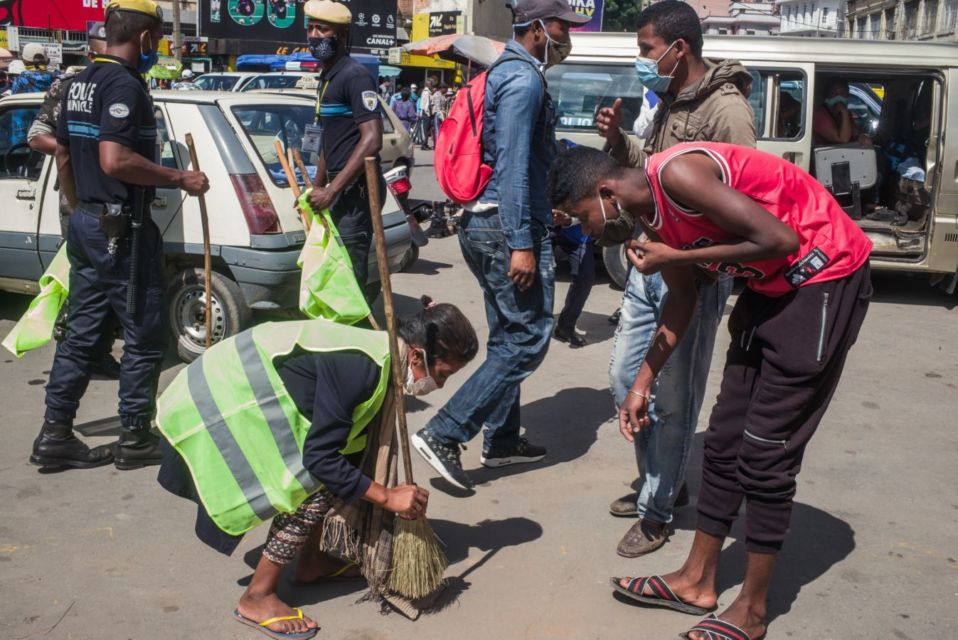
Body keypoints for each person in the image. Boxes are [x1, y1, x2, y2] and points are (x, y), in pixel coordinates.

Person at [549, 143, 872, 640]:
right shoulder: (652, 223)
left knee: (765, 453)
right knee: (722, 442)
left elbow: (780, 239)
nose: (582, 228)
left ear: (606, 191)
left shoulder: (677, 174)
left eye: (580, 215)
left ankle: (753, 610)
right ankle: (696, 581)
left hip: (823, 277)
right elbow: (682, 302)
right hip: (770, 291)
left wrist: (675, 254)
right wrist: (641, 383)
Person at [157, 300, 479, 639]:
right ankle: (257, 596)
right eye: (442, 375)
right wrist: (386, 497)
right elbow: (321, 460)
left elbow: (345, 447)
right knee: (315, 484)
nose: (439, 387)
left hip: (237, 389)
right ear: (416, 356)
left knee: (341, 471)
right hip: (215, 403)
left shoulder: (382, 356)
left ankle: (311, 563)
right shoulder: (363, 370)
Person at [594, 0, 756, 558]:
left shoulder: (727, 111)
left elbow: (739, 202)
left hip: (692, 272)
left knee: (673, 399)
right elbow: (654, 171)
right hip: (650, 260)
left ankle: (658, 510)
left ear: (677, 48)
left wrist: (688, 258)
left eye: (645, 49)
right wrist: (619, 144)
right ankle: (664, 476)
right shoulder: (669, 100)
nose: (642, 59)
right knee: (624, 382)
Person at [411, 0, 589, 492]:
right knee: (529, 337)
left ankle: (503, 439)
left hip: (490, 223)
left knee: (507, 335)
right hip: (501, 230)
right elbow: (510, 163)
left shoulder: (506, 74)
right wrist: (522, 242)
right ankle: (446, 432)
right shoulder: (525, 80)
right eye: (561, 28)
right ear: (537, 29)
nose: (567, 37)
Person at [32, 0, 210, 473]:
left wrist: (80, 211)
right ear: (147, 38)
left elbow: (65, 157)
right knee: (145, 334)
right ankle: (135, 436)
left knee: (82, 333)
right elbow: (114, 160)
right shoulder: (124, 86)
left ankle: (55, 433)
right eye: (159, 40)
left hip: (87, 223)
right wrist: (180, 178)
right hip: (121, 230)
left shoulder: (77, 83)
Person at [27, 21, 122, 380]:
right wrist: (83, 150)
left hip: (116, 198)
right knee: (83, 283)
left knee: (111, 284)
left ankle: (97, 353)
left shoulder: (127, 85)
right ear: (90, 54)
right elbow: (37, 136)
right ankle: (72, 357)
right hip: (78, 198)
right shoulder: (68, 88)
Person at [304, 0, 384, 297]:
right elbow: (331, 139)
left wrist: (332, 190)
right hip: (338, 191)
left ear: (343, 34)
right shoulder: (328, 76)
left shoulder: (355, 75)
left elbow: (371, 139)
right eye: (310, 28)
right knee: (333, 277)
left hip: (354, 194)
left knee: (350, 283)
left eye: (323, 29)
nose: (315, 35)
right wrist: (316, 186)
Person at [551, 209, 595, 347]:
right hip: (541, 229)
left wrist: (569, 219)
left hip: (576, 232)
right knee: (537, 276)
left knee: (586, 276)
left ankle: (565, 326)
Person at [812, 78, 871, 146]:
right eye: (835, 94)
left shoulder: (845, 114)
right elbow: (843, 139)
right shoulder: (819, 114)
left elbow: (855, 134)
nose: (839, 97)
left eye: (842, 93)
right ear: (827, 97)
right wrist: (844, 111)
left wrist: (862, 137)